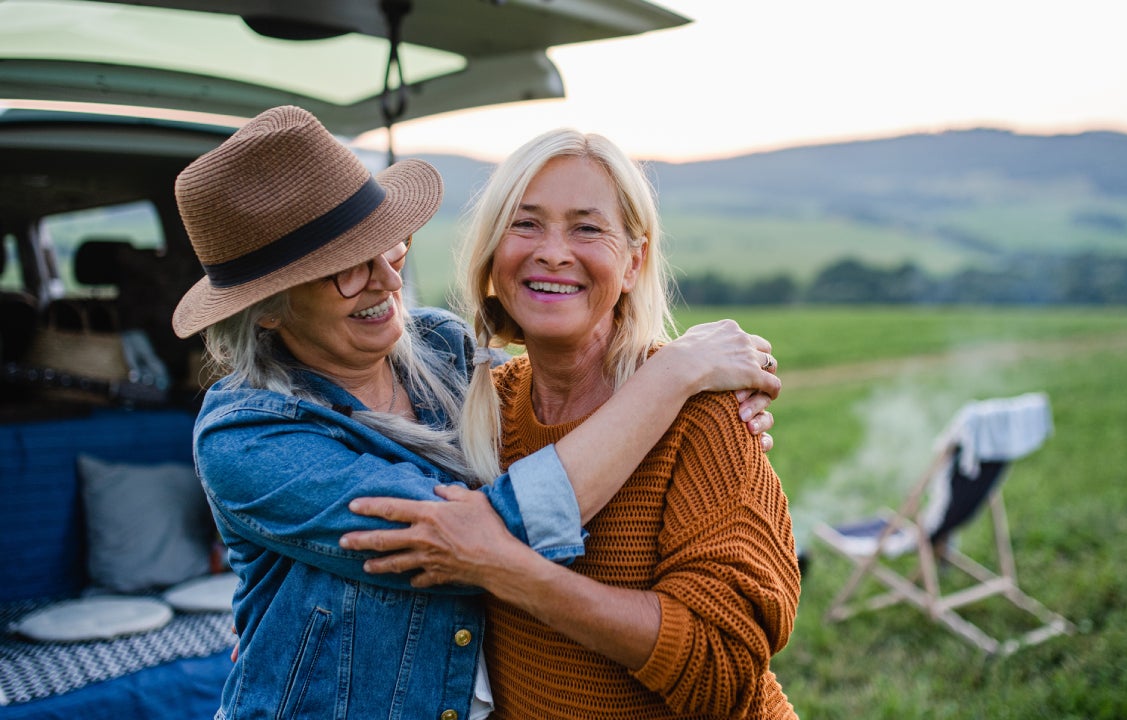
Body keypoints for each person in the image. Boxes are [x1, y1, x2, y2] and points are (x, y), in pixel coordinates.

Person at [170, 106, 782, 720]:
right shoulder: (248, 437)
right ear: (267, 309)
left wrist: (691, 381)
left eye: (389, 246)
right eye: (345, 267)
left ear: (635, 260)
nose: (387, 280)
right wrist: (671, 376)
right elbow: (482, 540)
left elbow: (722, 663)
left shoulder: (447, 352)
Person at [344, 129, 801, 719]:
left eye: (587, 228)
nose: (554, 252)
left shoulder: (701, 407)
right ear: (490, 255)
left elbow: (724, 667)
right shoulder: (479, 406)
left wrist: (512, 572)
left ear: (634, 262)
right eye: (525, 224)